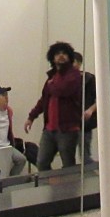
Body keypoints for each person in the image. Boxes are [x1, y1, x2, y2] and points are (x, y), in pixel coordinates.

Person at [24, 41, 82, 171]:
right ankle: (49, 184)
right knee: (41, 162)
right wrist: (31, 117)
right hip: (49, 129)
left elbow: (63, 90)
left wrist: (51, 84)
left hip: (67, 129)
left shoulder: (74, 74)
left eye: (64, 53)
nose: (61, 56)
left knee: (68, 165)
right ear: (52, 57)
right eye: (57, 53)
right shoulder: (51, 77)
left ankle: (69, 185)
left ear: (69, 56)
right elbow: (43, 100)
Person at [74, 52, 97, 165]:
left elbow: (101, 99)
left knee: (85, 156)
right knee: (67, 157)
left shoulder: (89, 79)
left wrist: (90, 110)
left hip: (83, 122)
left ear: (78, 63)